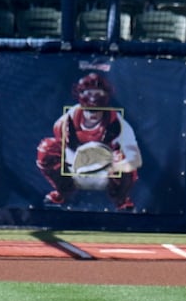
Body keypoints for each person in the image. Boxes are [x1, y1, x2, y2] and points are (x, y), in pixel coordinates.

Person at [35, 71, 142, 210]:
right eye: (88, 94)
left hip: (106, 174)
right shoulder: (66, 121)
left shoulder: (118, 123)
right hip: (75, 170)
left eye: (98, 94)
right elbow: (61, 149)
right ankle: (63, 191)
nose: (93, 102)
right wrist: (82, 162)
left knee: (125, 159)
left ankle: (121, 199)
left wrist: (115, 166)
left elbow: (136, 159)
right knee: (47, 148)